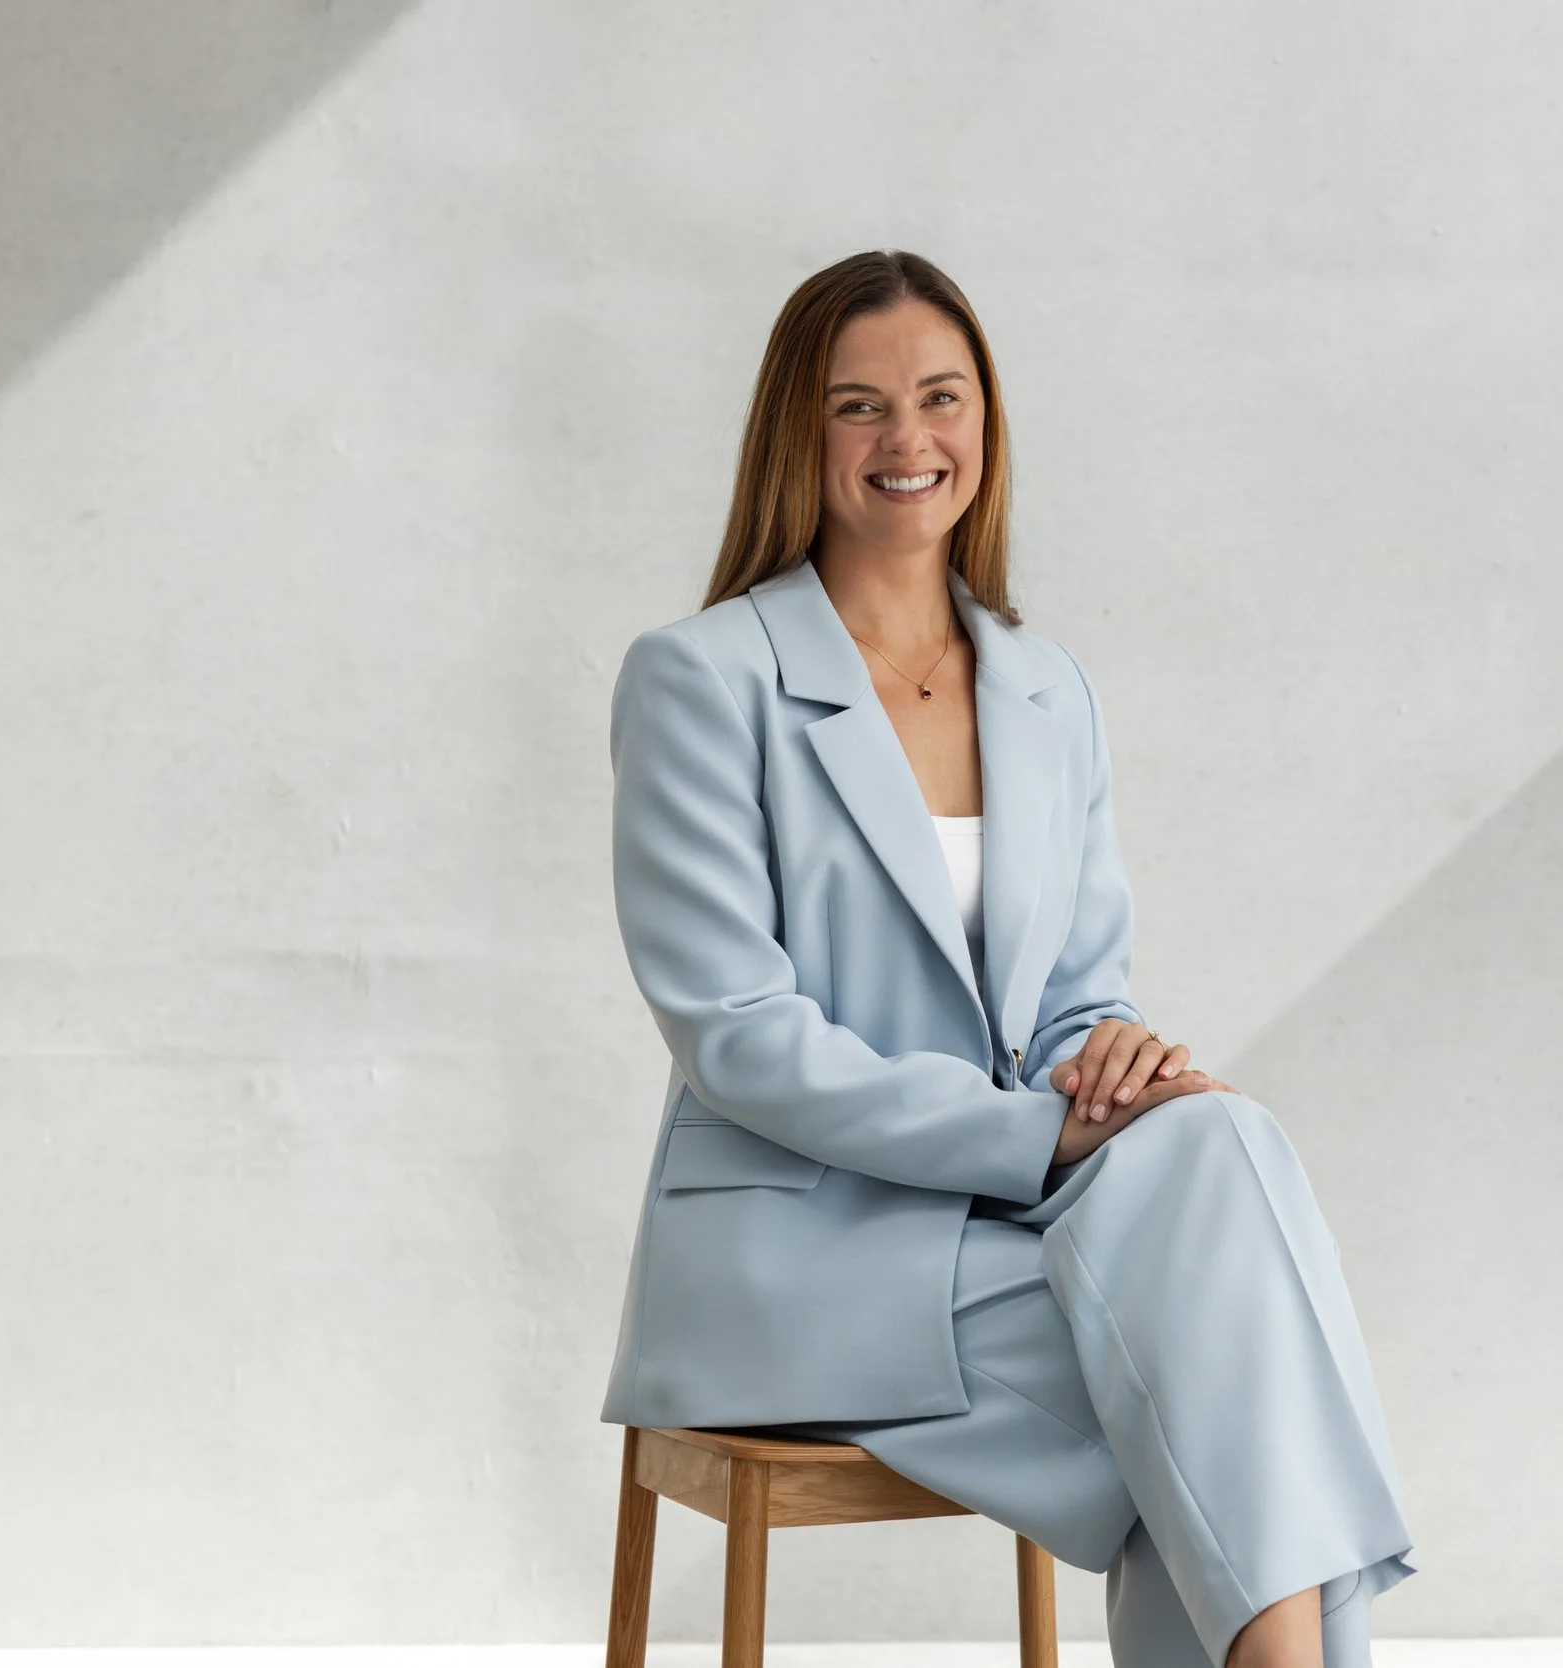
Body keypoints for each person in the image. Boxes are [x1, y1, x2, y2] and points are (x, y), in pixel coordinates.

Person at [600, 249, 1416, 1668]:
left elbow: (1075, 995)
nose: (908, 441)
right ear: (801, 433)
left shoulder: (1047, 690)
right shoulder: (701, 679)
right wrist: (1040, 1134)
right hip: (803, 1253)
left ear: (986, 420)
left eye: (941, 397)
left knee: (1219, 1154)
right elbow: (739, 1036)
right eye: (860, 407)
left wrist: (1123, 1063)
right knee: (1236, 1397)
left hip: (1010, 1233)